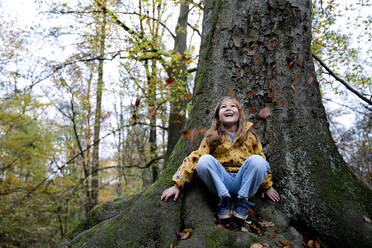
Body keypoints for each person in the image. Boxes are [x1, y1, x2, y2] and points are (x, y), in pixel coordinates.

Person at [161, 96, 279, 222]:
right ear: (218, 115)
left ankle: (242, 201)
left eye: (233, 106)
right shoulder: (212, 136)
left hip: (244, 181)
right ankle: (225, 200)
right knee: (204, 160)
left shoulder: (250, 136)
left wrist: (267, 186)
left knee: (258, 160)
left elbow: (261, 160)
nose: (228, 108)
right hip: (221, 182)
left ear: (240, 113)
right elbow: (196, 158)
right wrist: (177, 185)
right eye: (224, 107)